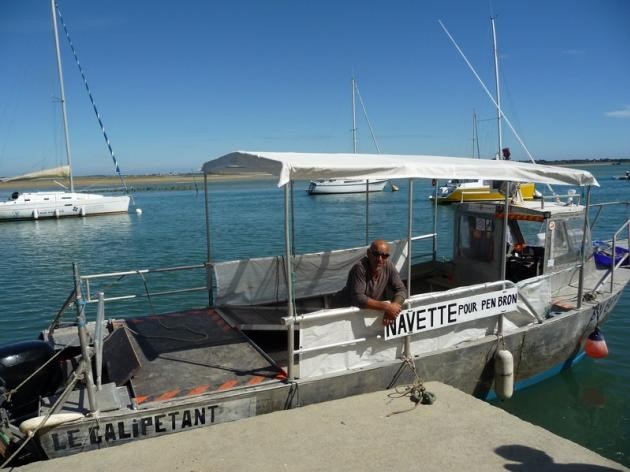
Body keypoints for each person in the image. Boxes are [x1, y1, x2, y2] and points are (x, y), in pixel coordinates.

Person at [331, 239, 407, 326]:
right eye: (376, 254)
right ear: (368, 253)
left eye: (384, 256)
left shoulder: (388, 266)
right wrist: (387, 307)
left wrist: (394, 307)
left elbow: (401, 290)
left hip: (361, 313)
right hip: (339, 310)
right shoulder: (359, 268)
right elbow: (358, 298)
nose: (380, 259)